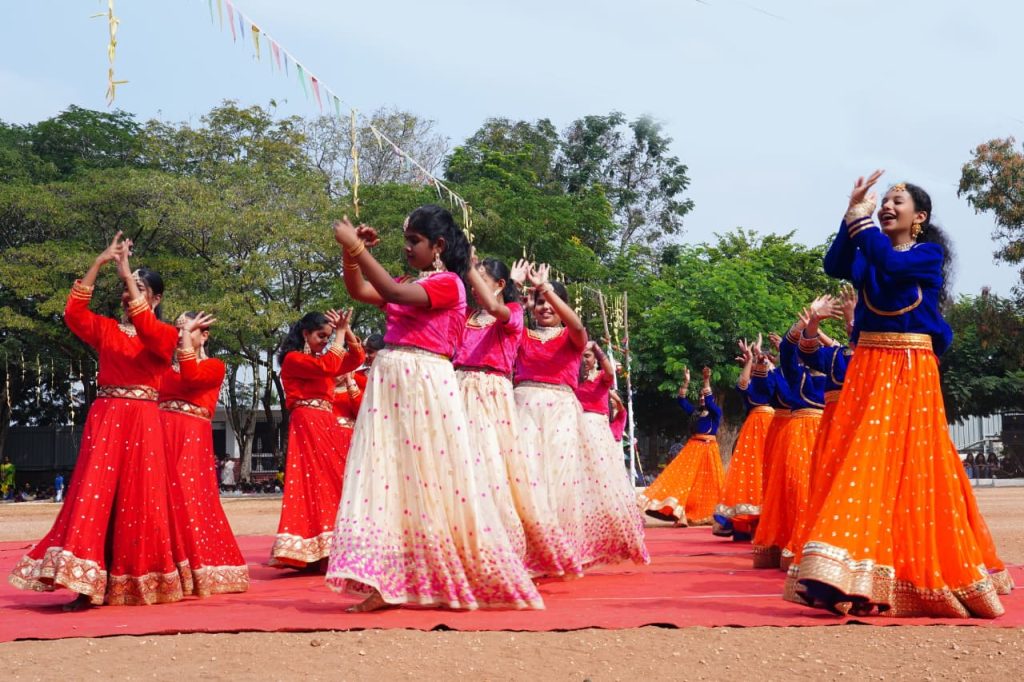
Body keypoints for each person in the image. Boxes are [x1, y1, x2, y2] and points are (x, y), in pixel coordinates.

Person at [792, 171, 1012, 618]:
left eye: (898, 201)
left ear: (920, 217)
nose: (888, 206)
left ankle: (906, 573)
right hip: (868, 369)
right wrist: (850, 213)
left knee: (909, 467)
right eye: (884, 201)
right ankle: (838, 573)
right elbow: (836, 265)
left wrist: (863, 223)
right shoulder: (867, 254)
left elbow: (890, 267)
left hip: (910, 369)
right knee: (855, 463)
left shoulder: (926, 257)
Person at [327, 206, 542, 611]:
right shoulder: (414, 280)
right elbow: (361, 291)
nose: (407, 248)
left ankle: (449, 573)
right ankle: (386, 581)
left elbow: (389, 292)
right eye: (406, 240)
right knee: (388, 476)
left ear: (438, 246)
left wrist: (357, 246)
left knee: (432, 480)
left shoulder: (449, 285)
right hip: (392, 382)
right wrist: (351, 255)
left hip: (424, 382)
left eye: (414, 241)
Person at [9, 232, 187, 609]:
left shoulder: (166, 334)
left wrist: (126, 276)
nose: (128, 294)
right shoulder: (107, 330)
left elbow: (152, 337)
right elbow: (73, 315)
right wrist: (100, 262)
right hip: (106, 419)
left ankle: (133, 581)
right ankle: (86, 584)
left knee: (140, 501)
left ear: (156, 298)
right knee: (95, 497)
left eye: (139, 288)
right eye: (127, 288)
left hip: (143, 422)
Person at [453, 254, 581, 577]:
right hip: (518, 405)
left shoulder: (562, 334)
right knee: (517, 478)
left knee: (554, 480)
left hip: (557, 411)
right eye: (539, 303)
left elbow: (577, 326)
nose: (544, 308)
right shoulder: (504, 325)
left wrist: (545, 289)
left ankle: (548, 548)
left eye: (549, 303)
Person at [159, 311, 249, 596]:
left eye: (189, 330)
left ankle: (194, 566)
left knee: (188, 496)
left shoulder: (214, 366)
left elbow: (192, 378)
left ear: (204, 335)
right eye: (177, 330)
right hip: (160, 434)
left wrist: (186, 343)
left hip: (191, 438)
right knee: (157, 498)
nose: (180, 336)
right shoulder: (161, 368)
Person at [270, 309, 364, 569]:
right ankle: (314, 548)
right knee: (315, 481)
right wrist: (340, 335)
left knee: (333, 479)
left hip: (326, 422)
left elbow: (357, 358)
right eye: (321, 336)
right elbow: (330, 366)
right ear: (305, 334)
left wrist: (347, 329)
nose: (326, 340)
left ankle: (332, 545)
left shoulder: (321, 362)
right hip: (308, 420)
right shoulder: (293, 359)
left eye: (329, 336)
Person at [752, 319, 825, 569]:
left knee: (821, 492)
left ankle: (819, 547)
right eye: (808, 345)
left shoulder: (836, 371)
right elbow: (786, 353)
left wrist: (819, 330)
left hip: (827, 434)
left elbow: (853, 348)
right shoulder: (798, 376)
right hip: (797, 434)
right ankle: (793, 543)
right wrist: (800, 329)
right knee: (796, 488)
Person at [574, 339, 649, 565]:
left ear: (595, 358)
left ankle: (617, 535)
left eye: (587, 356)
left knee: (604, 483)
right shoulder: (572, 378)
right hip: (575, 430)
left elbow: (608, 371)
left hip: (597, 431)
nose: (584, 360)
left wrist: (596, 348)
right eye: (581, 356)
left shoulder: (602, 379)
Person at [640, 366, 724, 527]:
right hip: (692, 450)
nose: (701, 398)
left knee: (710, 484)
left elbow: (709, 401)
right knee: (684, 482)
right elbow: (681, 400)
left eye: (703, 395)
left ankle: (716, 516)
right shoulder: (694, 413)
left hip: (709, 451)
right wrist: (686, 382)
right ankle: (681, 515)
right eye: (699, 395)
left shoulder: (715, 412)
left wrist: (706, 380)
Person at [713, 337, 774, 540]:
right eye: (758, 359)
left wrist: (763, 358)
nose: (760, 361)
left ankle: (769, 523)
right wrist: (749, 361)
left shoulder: (774, 378)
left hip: (775, 425)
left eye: (761, 359)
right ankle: (746, 522)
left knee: (771, 471)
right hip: (755, 427)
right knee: (751, 471)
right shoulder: (753, 384)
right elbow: (742, 384)